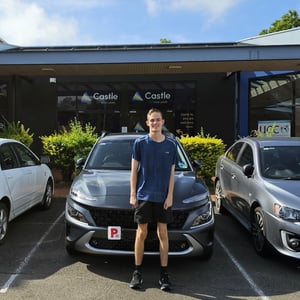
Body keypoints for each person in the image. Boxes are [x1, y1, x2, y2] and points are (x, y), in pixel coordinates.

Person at [129, 108, 177, 291]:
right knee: (141, 233)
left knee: (163, 233)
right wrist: (133, 194)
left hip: (162, 197)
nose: (155, 123)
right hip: (143, 196)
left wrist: (170, 195)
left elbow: (172, 173)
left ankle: (164, 274)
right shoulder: (140, 143)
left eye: (158, 120)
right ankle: (137, 272)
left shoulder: (171, 145)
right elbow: (133, 171)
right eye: (152, 120)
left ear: (163, 122)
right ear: (147, 123)